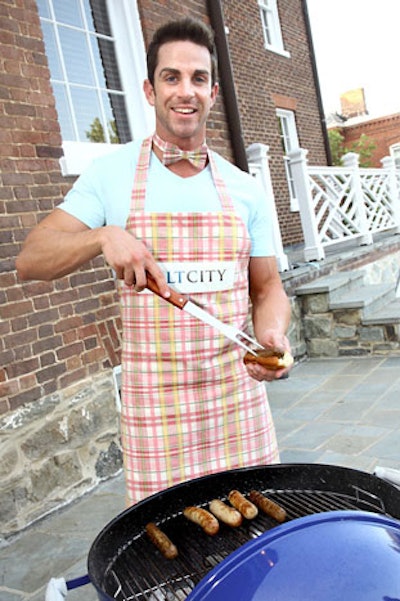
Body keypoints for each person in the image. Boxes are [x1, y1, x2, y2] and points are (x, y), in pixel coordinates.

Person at [16, 17, 292, 506]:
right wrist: (102, 236)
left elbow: (267, 287)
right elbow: (31, 260)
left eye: (198, 78)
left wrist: (272, 334)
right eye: (172, 77)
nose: (186, 91)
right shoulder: (110, 175)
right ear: (149, 89)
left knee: (254, 540)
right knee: (168, 558)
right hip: (157, 413)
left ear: (212, 89)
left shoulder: (246, 190)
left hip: (237, 402)